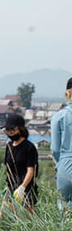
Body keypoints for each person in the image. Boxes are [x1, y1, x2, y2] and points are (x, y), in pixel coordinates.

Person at [2, 113, 38, 212]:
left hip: (26, 190)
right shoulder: (9, 146)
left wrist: (22, 187)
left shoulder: (29, 147)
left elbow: (31, 170)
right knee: (4, 217)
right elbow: (8, 168)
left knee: (26, 220)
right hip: (11, 187)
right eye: (7, 130)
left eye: (13, 130)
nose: (10, 133)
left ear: (21, 129)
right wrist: (7, 186)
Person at [51, 77, 72, 216]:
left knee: (64, 208)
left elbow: (55, 149)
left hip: (66, 165)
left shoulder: (59, 116)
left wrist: (60, 164)